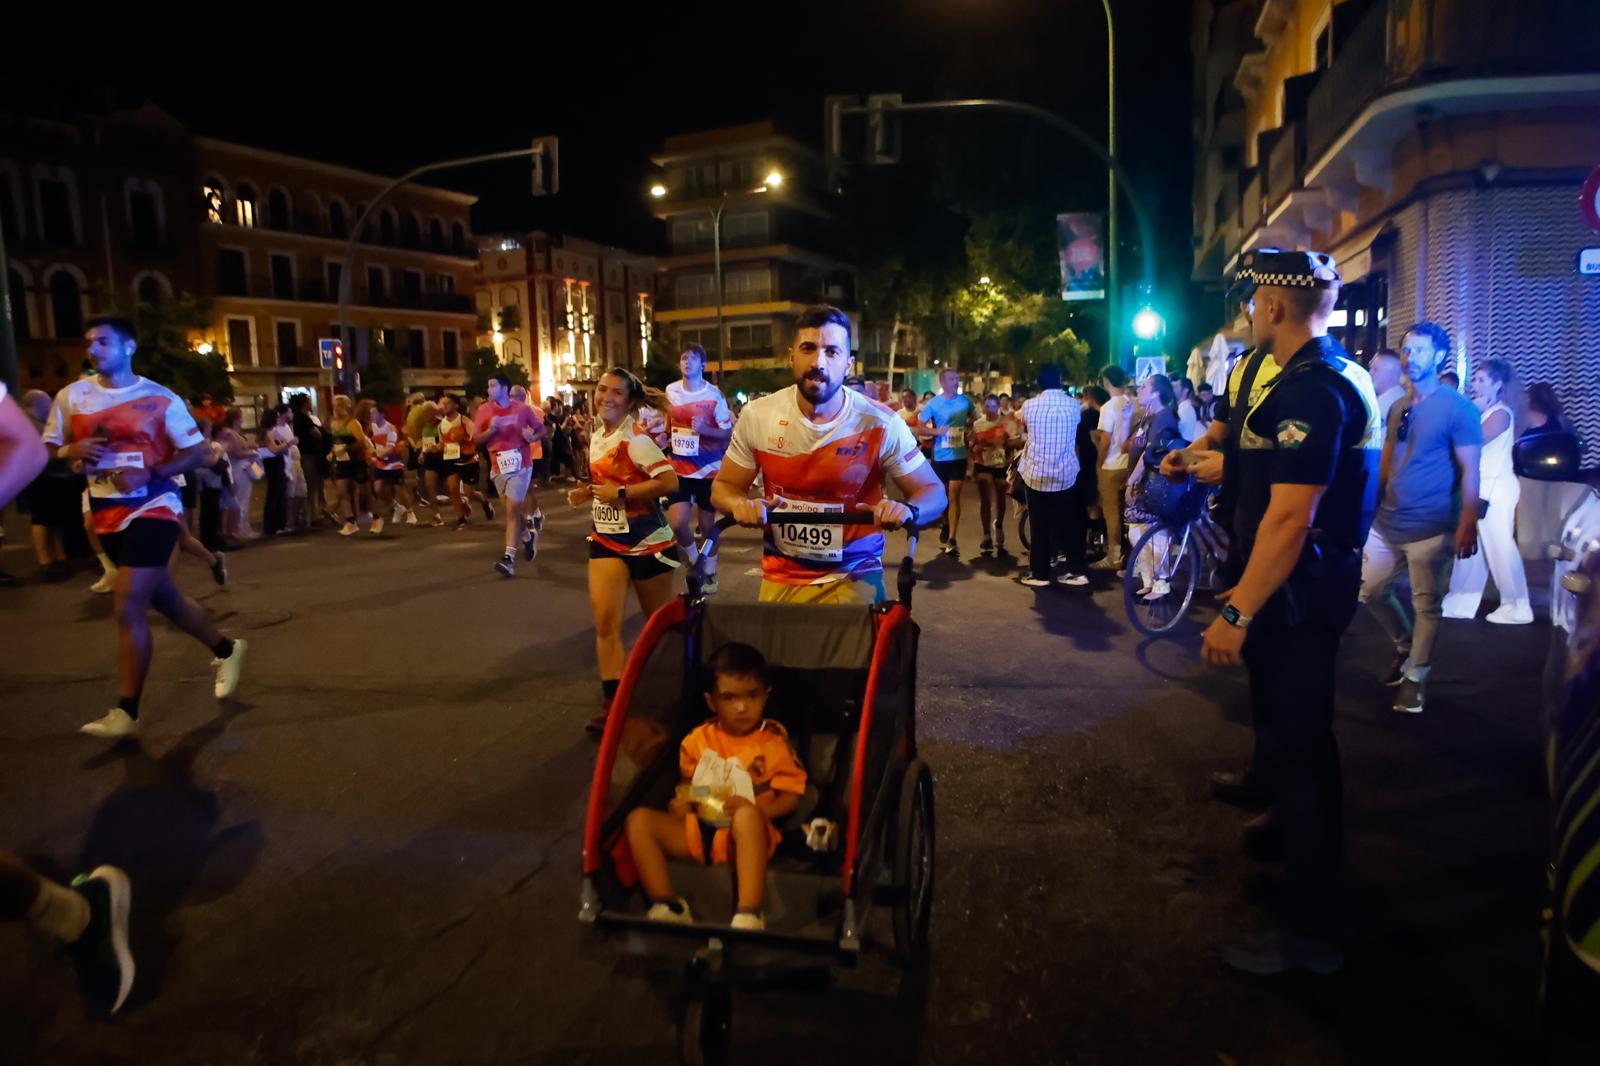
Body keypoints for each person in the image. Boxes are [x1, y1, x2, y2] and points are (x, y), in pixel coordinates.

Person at [1195, 250, 1381, 975]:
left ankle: (1308, 933)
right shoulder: (1319, 379)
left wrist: (1237, 612)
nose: (1249, 312)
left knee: (1304, 751)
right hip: (1294, 590)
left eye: (1254, 301)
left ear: (1273, 306)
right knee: (1290, 736)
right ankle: (1292, 850)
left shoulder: (1310, 391)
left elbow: (1291, 518)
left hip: (1299, 594)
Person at [42, 316, 247, 739]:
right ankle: (227, 649)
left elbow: (196, 452)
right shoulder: (71, 397)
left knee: (129, 600)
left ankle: (127, 712)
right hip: (106, 512)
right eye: (89, 343)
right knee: (167, 601)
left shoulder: (159, 397)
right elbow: (43, 452)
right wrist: (70, 449)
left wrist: (152, 473)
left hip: (155, 506)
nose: (93, 350)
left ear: (128, 347)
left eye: (103, 342)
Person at [712, 305, 947, 605]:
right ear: (791, 356)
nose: (818, 362)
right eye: (808, 348)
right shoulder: (758, 416)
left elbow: (934, 492)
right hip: (780, 576)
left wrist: (907, 511)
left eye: (832, 351)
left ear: (849, 364)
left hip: (854, 575)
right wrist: (739, 505)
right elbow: (723, 488)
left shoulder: (880, 422)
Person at [624, 642, 806, 931]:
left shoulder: (772, 743)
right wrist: (681, 803)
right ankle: (668, 903)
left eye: (752, 696)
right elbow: (688, 784)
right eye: (730, 698)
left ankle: (749, 911)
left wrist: (755, 812)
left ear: (765, 696)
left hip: (748, 836)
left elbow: (791, 799)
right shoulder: (697, 740)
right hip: (700, 829)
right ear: (712, 702)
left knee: (745, 817)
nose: (742, 707)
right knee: (639, 821)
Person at [1360, 321, 1482, 714]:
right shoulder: (1399, 407)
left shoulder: (1458, 409)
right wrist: (1370, 507)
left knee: (1426, 602)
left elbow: (1471, 470)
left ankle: (1416, 676)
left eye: (1422, 351)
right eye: (1407, 351)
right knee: (1371, 590)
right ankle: (1405, 646)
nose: (1412, 358)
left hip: (1431, 525)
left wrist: (1466, 522)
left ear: (1441, 356)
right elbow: (1386, 462)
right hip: (1387, 521)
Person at [569, 368, 681, 733]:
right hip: (607, 540)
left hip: (649, 543)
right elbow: (609, 479)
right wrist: (589, 491)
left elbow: (669, 481)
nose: (606, 397)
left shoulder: (636, 439)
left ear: (630, 401)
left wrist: (622, 494)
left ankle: (677, 690)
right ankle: (613, 703)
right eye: (602, 389)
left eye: (616, 393)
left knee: (659, 627)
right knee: (605, 622)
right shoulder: (599, 435)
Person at [1441, 359, 1531, 623]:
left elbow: (1473, 441)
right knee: (1471, 549)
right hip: (1482, 486)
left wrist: (1470, 412)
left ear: (1498, 384)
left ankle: (1518, 606)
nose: (1475, 384)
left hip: (1496, 487)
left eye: (1481, 379)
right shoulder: (1486, 411)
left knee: (1499, 546)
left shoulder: (1501, 413)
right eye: (1476, 379)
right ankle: (1460, 601)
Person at [663, 345, 734, 593]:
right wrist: (664, 438)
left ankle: (711, 573)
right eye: (683, 358)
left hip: (708, 469)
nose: (687, 362)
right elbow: (668, 425)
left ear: (703, 365)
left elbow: (727, 434)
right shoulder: (670, 391)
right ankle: (695, 561)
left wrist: (705, 430)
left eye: (693, 359)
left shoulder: (714, 396)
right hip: (680, 467)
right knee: (677, 522)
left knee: (707, 527)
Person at [1014, 364, 1088, 588]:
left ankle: (1040, 573)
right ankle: (1076, 571)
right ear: (1060, 379)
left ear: (1038, 383)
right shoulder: (1074, 405)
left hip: (1036, 474)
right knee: (1069, 523)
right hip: (1066, 474)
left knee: (1039, 526)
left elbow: (1019, 421)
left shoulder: (1030, 405)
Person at [474, 373, 546, 576]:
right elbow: (476, 439)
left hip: (521, 464)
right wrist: (490, 430)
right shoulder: (484, 410)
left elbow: (542, 430)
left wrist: (532, 436)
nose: (489, 390)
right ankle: (527, 537)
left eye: (492, 385)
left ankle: (509, 559)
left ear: (504, 388)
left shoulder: (522, 409)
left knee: (512, 509)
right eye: (488, 386)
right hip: (498, 467)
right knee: (512, 510)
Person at [1123, 374, 1183, 598]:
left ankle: (1162, 583)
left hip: (1156, 483)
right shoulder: (1147, 417)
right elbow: (1125, 446)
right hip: (1142, 482)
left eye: (1145, 386)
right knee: (1136, 533)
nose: (1139, 389)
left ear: (1157, 392)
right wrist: (1128, 418)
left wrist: (1131, 481)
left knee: (1156, 534)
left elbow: (1149, 454)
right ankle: (1149, 580)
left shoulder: (1164, 417)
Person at [920, 368, 976, 557]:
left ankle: (952, 537)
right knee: (942, 498)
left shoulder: (965, 401)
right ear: (943, 382)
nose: (956, 381)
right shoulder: (933, 404)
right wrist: (936, 432)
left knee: (954, 497)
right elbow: (918, 427)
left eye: (957, 378)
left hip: (959, 456)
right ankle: (945, 522)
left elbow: (974, 420)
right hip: (940, 457)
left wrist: (970, 431)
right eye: (952, 379)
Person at [1093, 365, 1135, 571]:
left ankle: (1114, 556)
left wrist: (1098, 463)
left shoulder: (1108, 407)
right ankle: (1130, 555)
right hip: (1130, 466)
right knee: (1129, 512)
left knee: (1112, 513)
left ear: (1106, 382)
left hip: (1111, 466)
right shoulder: (1132, 404)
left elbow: (1106, 440)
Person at [438, 394, 493, 530]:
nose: (444, 406)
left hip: (468, 460)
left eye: (448, 404)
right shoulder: (441, 424)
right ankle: (461, 518)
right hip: (450, 459)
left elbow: (475, 437)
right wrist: (433, 448)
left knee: (470, 493)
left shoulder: (464, 421)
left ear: (456, 405)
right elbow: (442, 442)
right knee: (453, 490)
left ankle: (484, 502)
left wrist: (463, 438)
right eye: (443, 404)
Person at [970, 394, 1014, 556]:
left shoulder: (1006, 423)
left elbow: (1013, 443)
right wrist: (976, 449)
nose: (990, 410)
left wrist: (1005, 448)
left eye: (993, 407)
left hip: (1000, 465)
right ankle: (986, 534)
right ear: (983, 407)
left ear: (998, 407)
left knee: (1000, 492)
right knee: (985, 498)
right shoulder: (978, 424)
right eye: (987, 406)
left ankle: (999, 524)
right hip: (982, 464)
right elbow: (972, 444)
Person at [325, 394, 372, 537]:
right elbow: (336, 442)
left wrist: (346, 448)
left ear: (346, 407)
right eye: (335, 406)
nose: (336, 409)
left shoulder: (353, 423)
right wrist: (333, 452)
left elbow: (361, 442)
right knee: (341, 491)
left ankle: (368, 515)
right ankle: (350, 521)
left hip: (355, 461)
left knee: (359, 490)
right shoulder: (334, 424)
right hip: (341, 462)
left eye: (339, 406)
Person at [362, 401, 405, 534]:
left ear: (381, 414)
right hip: (380, 464)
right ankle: (395, 506)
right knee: (378, 489)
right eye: (370, 413)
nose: (371, 415)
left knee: (396, 489)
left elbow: (390, 447)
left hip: (392, 463)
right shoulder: (371, 427)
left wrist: (377, 455)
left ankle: (405, 510)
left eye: (374, 413)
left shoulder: (390, 428)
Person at [290, 394, 329, 526]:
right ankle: (311, 515)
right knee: (311, 485)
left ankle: (308, 514)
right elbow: (317, 434)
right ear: (304, 403)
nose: (310, 403)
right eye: (308, 401)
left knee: (308, 485)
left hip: (302, 454)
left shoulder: (296, 418)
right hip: (309, 455)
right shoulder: (304, 419)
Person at [260, 404, 293, 536]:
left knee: (277, 494)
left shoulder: (270, 432)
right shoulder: (269, 433)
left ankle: (278, 524)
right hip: (274, 466)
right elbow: (273, 449)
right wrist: (288, 444)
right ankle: (273, 525)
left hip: (275, 465)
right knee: (275, 495)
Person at [1368, 349, 1406, 427]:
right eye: (1370, 369)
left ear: (1390, 374)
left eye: (1375, 369)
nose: (1370, 373)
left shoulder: (1394, 406)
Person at [1171, 375, 1202, 444]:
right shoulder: (1182, 408)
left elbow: (1175, 431)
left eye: (1176, 387)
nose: (1172, 390)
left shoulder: (1186, 409)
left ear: (1185, 391)